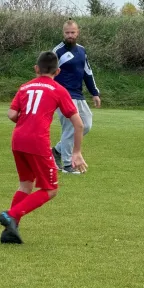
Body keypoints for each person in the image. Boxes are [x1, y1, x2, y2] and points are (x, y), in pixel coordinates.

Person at [0, 51, 87, 244]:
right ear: (58, 71)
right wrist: (76, 153)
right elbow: (78, 124)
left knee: (26, 185)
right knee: (50, 189)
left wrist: (26, 121)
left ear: (36, 69)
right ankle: (11, 214)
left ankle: (10, 231)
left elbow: (11, 114)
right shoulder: (58, 89)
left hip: (18, 140)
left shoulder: (24, 87)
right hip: (37, 141)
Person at [51, 19, 100, 174]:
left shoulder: (81, 50)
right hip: (63, 95)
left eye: (73, 32)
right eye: (67, 33)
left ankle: (56, 151)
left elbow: (88, 72)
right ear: (63, 33)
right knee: (70, 128)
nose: (70, 35)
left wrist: (94, 93)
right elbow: (49, 74)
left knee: (85, 124)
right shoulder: (57, 52)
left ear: (78, 32)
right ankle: (67, 164)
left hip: (78, 94)